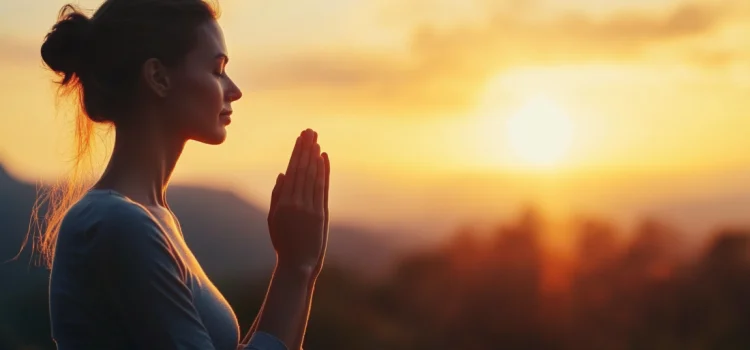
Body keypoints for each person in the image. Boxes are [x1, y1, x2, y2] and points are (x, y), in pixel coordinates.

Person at [36, 1, 331, 349]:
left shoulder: (152, 219)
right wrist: (295, 268)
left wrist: (301, 269)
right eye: (218, 69)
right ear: (159, 77)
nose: (234, 90)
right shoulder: (116, 223)